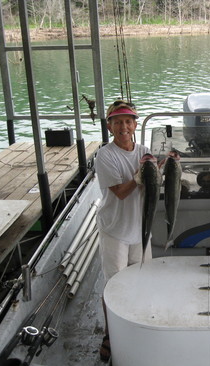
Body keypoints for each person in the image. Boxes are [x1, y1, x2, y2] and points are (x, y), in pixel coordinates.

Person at [94, 100, 152, 362]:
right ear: (109, 126)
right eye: (117, 121)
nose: (123, 126)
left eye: (128, 121)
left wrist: (162, 170)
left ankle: (136, 324)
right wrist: (141, 176)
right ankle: (110, 334)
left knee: (140, 280)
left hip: (141, 230)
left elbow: (152, 187)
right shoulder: (105, 155)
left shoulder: (144, 150)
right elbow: (120, 192)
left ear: (135, 124)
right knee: (114, 286)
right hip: (115, 231)